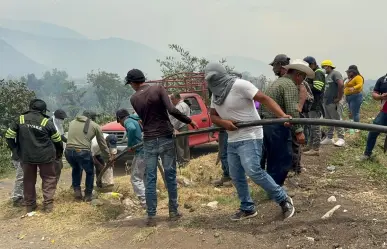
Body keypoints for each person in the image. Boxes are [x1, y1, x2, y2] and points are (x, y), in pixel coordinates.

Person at [206, 62, 295, 220]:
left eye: (213, 78)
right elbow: (213, 115)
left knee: (253, 170)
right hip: (233, 138)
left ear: (221, 75)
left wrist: (281, 115)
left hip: (250, 134)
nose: (211, 82)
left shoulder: (240, 85)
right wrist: (224, 123)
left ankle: (283, 199)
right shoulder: (215, 94)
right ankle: (247, 207)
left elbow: (265, 99)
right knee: (236, 174)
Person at [125, 68, 198, 226]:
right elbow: (171, 109)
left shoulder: (134, 99)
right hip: (165, 136)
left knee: (150, 178)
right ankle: (173, 211)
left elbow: (145, 118)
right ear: (143, 78)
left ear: (132, 83)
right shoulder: (158, 89)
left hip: (149, 140)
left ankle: (151, 215)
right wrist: (189, 121)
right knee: (170, 174)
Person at [5, 99, 63, 213]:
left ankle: (30, 206)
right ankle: (48, 206)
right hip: (45, 157)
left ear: (30, 107)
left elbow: (9, 136)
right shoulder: (46, 122)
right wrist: (59, 153)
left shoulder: (20, 119)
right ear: (43, 110)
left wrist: (15, 150)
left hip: (26, 157)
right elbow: (58, 140)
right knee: (48, 179)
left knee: (28, 180)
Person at [261, 59, 312, 186]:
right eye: (303, 78)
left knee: (272, 157)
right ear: (298, 75)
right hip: (277, 126)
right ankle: (276, 187)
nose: (302, 82)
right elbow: (292, 110)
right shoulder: (289, 85)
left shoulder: (278, 82)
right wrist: (299, 131)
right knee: (282, 158)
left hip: (267, 124)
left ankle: (272, 186)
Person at [65, 110, 112, 202]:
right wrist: (108, 158)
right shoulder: (95, 126)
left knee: (76, 168)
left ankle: (77, 191)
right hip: (82, 152)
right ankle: (88, 195)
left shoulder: (72, 122)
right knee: (90, 172)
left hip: (68, 152)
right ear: (92, 118)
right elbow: (102, 145)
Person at [116, 109, 147, 208]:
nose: (121, 124)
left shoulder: (128, 121)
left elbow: (132, 129)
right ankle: (150, 198)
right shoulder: (135, 119)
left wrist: (129, 145)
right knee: (145, 176)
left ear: (119, 119)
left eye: (119, 122)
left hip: (141, 152)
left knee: (136, 178)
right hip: (146, 150)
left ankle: (144, 202)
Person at [359, 74, 387, 161]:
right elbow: (375, 93)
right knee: (374, 130)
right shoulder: (383, 80)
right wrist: (380, 96)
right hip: (385, 111)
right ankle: (367, 153)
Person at [303, 56, 326, 156]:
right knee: (311, 126)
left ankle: (315, 148)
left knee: (315, 126)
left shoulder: (318, 73)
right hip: (311, 104)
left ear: (312, 64)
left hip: (315, 104)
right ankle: (310, 145)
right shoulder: (313, 73)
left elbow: (318, 88)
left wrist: (304, 85)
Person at [320, 60, 345, 147]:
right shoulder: (328, 76)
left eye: (325, 66)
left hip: (334, 101)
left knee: (337, 119)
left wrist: (339, 97)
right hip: (327, 101)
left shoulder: (335, 74)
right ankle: (329, 137)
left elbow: (341, 85)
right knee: (328, 120)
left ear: (329, 66)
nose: (324, 68)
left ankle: (341, 138)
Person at [169, 92, 191, 166]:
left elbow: (178, 119)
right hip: (185, 126)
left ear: (176, 98)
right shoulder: (185, 105)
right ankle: (187, 161)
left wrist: (174, 128)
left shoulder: (179, 107)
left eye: (172, 99)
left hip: (180, 127)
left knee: (180, 146)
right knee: (185, 145)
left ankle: (182, 163)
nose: (171, 101)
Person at [49, 109, 68, 184]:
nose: (62, 120)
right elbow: (57, 136)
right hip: (51, 150)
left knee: (59, 166)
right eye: (61, 119)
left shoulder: (58, 124)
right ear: (56, 118)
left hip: (58, 150)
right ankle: (52, 185)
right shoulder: (50, 123)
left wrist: (69, 141)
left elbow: (61, 135)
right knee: (57, 167)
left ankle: (53, 184)